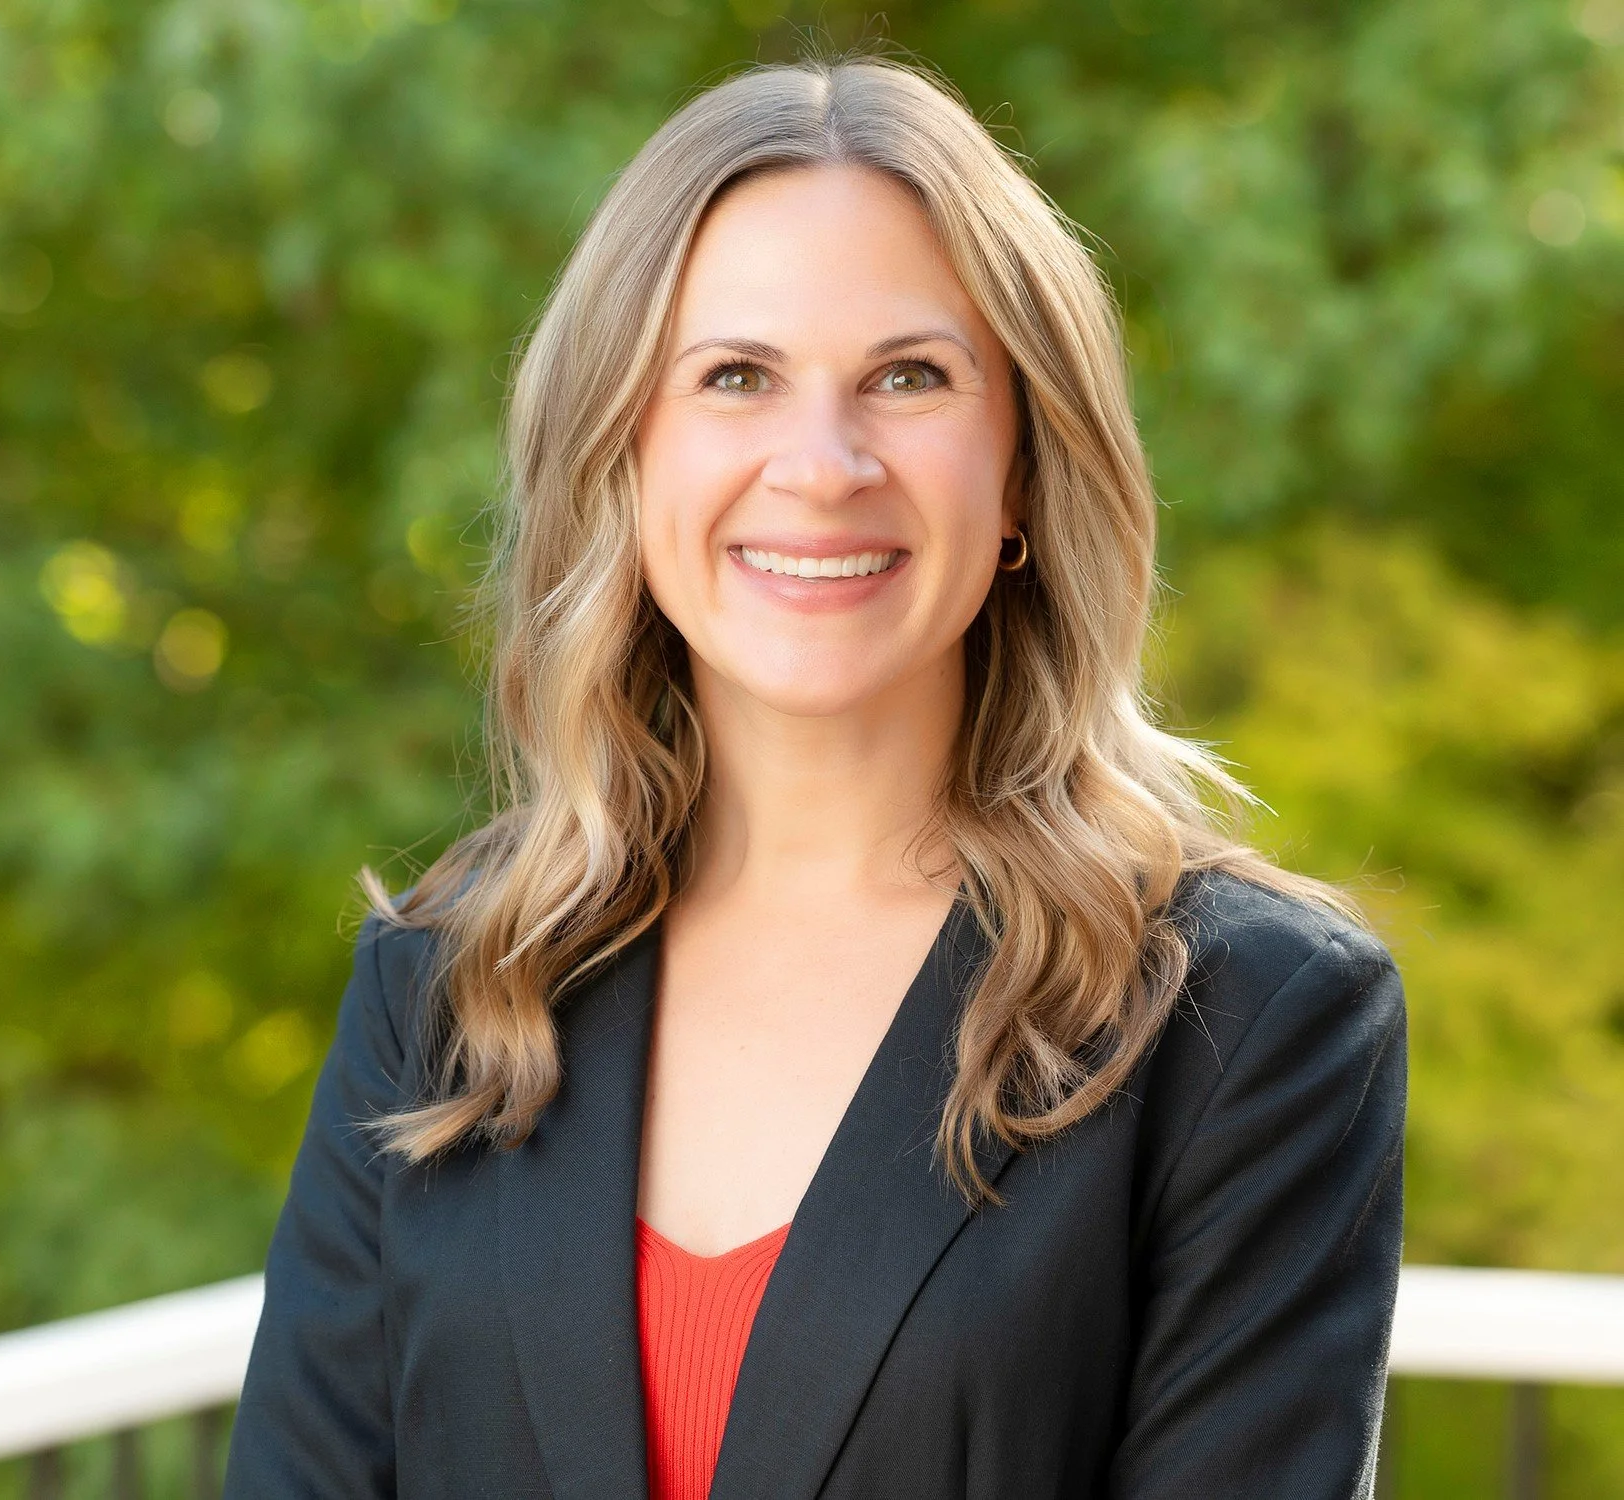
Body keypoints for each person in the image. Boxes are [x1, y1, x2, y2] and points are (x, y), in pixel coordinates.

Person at [223, 56, 1405, 1500]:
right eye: (735, 377)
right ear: (623, 452)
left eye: (910, 377)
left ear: (1025, 460)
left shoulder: (1249, 1019)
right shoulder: (449, 981)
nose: (823, 462)